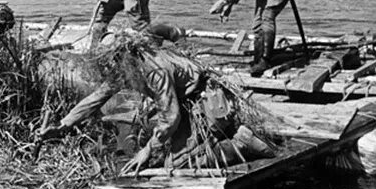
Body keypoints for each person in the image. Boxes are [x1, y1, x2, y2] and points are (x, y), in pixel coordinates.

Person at [38, 32, 274, 174]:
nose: (106, 67)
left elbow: (171, 117)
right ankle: (215, 137)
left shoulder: (154, 71)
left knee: (180, 165)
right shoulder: (124, 69)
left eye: (108, 61)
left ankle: (240, 143)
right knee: (174, 153)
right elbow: (95, 99)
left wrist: (147, 150)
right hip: (186, 103)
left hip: (207, 102)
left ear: (122, 56)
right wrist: (63, 125)